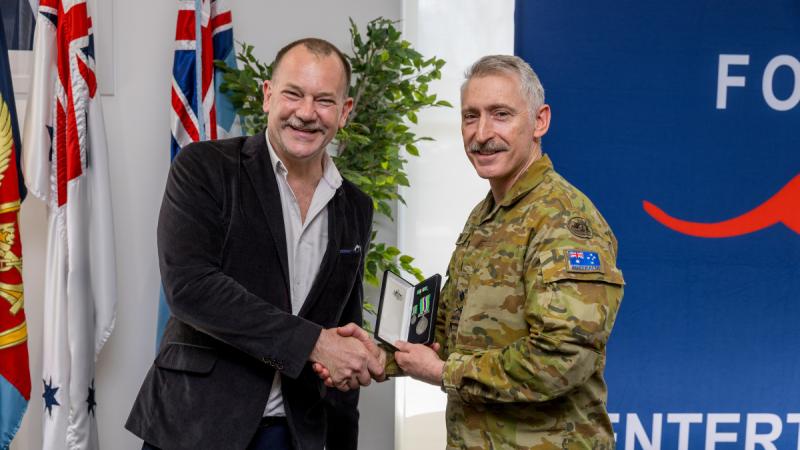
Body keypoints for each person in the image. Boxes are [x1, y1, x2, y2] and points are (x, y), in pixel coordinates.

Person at [317, 54, 625, 449]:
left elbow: (560, 362)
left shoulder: (563, 222)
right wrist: (379, 357)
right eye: (470, 116)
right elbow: (450, 331)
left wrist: (444, 372)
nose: (482, 133)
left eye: (501, 114)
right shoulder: (486, 214)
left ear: (540, 121)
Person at [126, 38, 382, 450]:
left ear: (345, 112)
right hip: (195, 427)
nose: (305, 113)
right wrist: (315, 343)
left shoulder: (355, 206)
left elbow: (342, 339)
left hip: (293, 434)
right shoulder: (203, 168)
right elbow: (191, 288)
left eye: (324, 101)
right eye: (293, 94)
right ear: (267, 96)